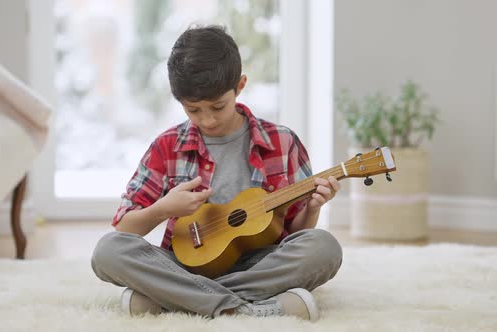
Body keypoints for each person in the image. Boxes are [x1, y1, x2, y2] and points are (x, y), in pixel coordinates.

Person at [91, 25, 342, 321]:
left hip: (261, 263)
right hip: (184, 265)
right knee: (108, 251)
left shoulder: (282, 142)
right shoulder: (167, 146)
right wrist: (163, 209)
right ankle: (243, 308)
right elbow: (125, 228)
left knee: (324, 248)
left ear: (240, 85)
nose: (207, 119)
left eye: (218, 106)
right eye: (193, 110)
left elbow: (297, 235)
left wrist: (313, 207)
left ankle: (176, 299)